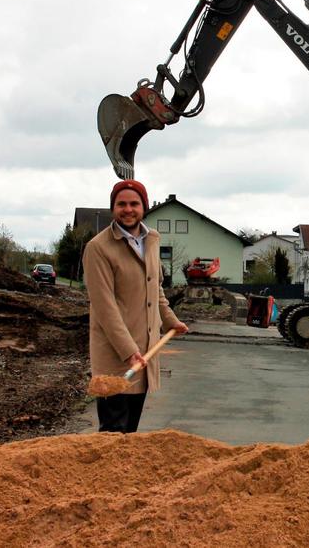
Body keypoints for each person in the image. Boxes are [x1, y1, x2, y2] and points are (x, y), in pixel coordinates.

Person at [84, 179, 189, 433]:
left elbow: (156, 289)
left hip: (144, 350)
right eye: (121, 204)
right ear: (113, 208)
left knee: (130, 429)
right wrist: (128, 350)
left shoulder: (150, 240)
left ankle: (122, 473)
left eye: (134, 203)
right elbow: (104, 306)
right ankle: (106, 474)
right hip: (115, 354)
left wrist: (170, 320)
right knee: (113, 429)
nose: (128, 209)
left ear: (144, 207)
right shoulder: (98, 248)